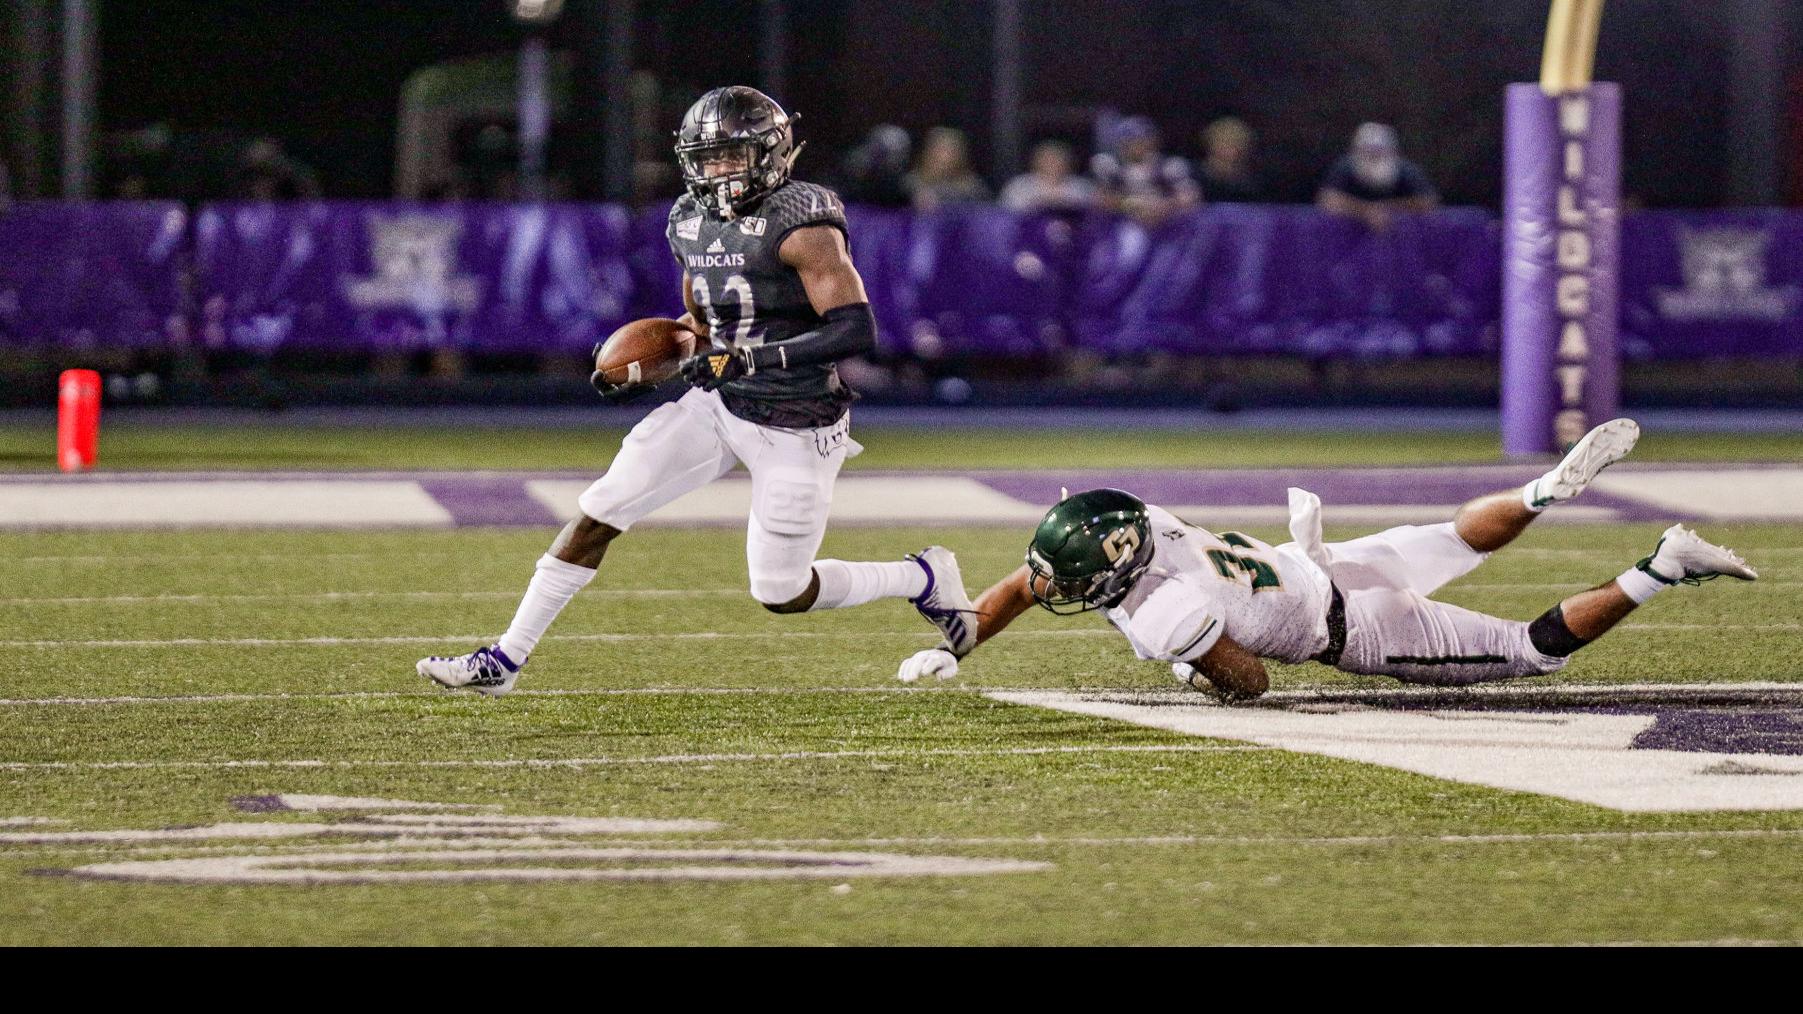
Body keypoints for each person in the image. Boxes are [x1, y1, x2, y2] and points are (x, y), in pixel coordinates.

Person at [419, 86, 972, 696]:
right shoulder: (687, 217)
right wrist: (656, 359)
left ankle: (920, 577)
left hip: (797, 418)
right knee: (600, 510)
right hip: (719, 404)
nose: (718, 171)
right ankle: (506, 659)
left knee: (781, 591)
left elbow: (854, 329)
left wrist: (748, 358)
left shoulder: (803, 221)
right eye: (707, 158)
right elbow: (704, 322)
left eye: (732, 156)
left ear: (770, 153)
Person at [895, 419, 1760, 700]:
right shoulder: (1138, 521)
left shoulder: (1161, 610)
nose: (1058, 589)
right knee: (1456, 537)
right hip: (1318, 560)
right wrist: (959, 639)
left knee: (1529, 649)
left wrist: (1198, 671)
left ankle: (1665, 565)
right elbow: (1027, 579)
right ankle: (1539, 493)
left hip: (1356, 626)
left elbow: (1256, 684)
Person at [1316, 122, 1437, 231]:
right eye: (1368, 152)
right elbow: (1327, 200)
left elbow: (1427, 202)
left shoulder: (1406, 171)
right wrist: (1366, 212)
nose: (1373, 157)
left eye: (1379, 152)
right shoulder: (1345, 168)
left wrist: (1388, 209)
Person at [1090, 116, 1201, 229]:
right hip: (1124, 223)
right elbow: (1101, 199)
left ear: (1153, 141)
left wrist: (1160, 208)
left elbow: (1189, 198)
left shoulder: (1169, 165)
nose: (1136, 145)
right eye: (1130, 141)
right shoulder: (1111, 165)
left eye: (1142, 140)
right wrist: (1131, 205)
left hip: (1167, 222)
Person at [903, 127, 990, 212]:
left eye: (950, 151)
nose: (945, 156)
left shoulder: (973, 187)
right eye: (940, 150)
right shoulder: (911, 182)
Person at [999, 140, 1095, 214]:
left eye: (1058, 160)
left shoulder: (1081, 187)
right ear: (1036, 162)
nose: (1053, 164)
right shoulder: (1018, 187)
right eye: (1048, 160)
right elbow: (1008, 216)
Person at [1196, 117, 1262, 204]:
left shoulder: (1250, 185)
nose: (1230, 148)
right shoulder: (1194, 177)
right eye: (1224, 141)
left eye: (1236, 142)